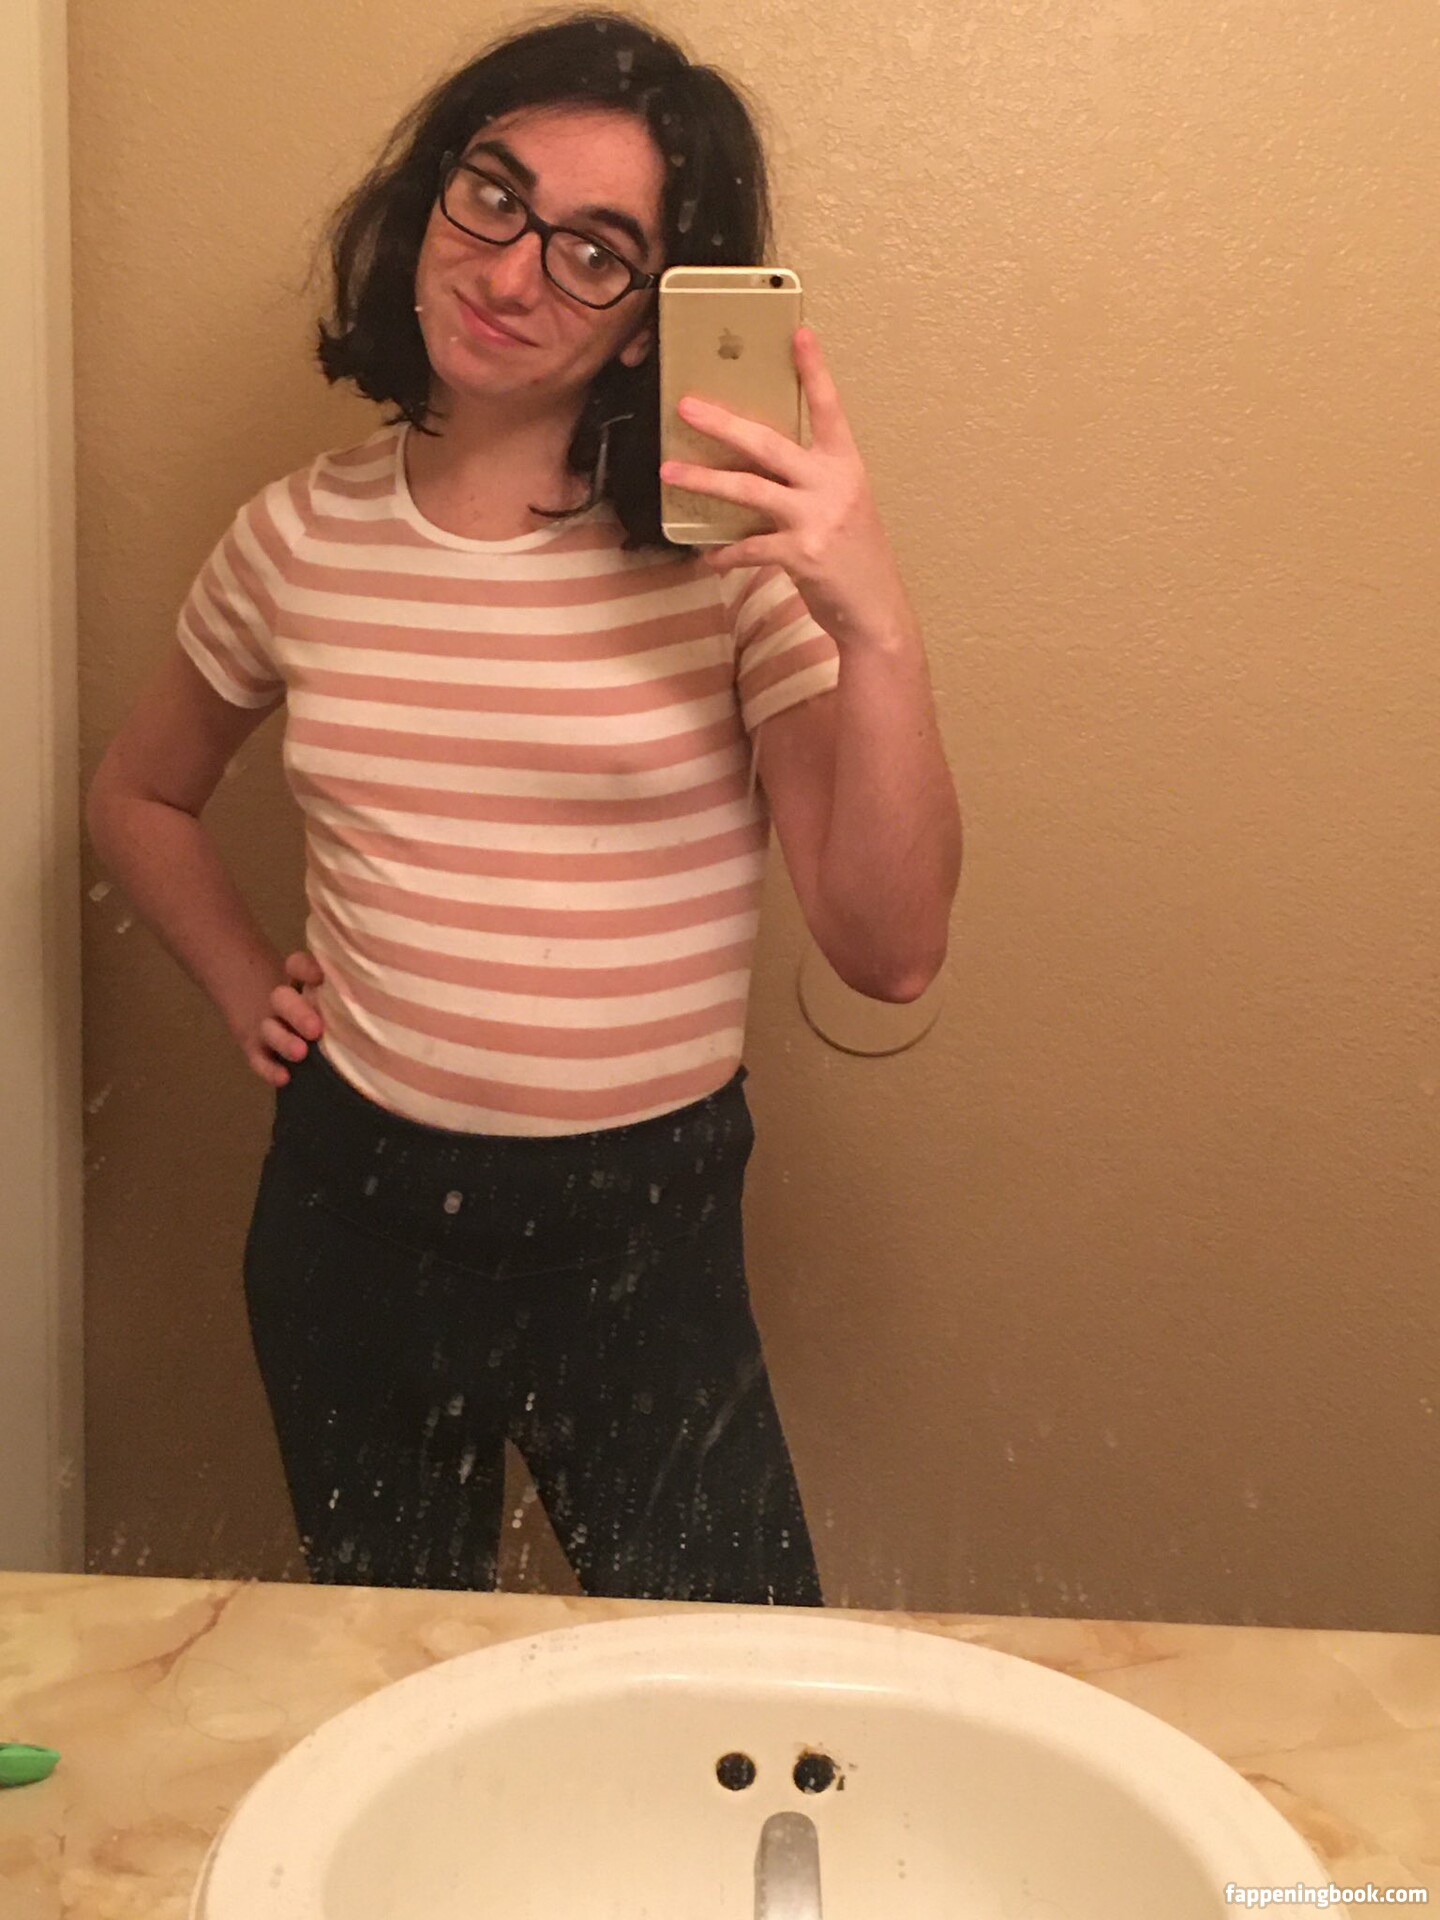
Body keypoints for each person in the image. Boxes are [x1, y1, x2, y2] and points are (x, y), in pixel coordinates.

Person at [86, 9, 962, 1605]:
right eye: (494, 196)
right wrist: (243, 983)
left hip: (645, 1237)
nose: (511, 273)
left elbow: (889, 949)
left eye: (595, 251)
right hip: (352, 1217)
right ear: (431, 196)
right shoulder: (291, 540)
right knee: (393, 1666)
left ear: (647, 324)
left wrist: (875, 622)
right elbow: (140, 794)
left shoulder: (726, 571)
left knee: (737, 1686)